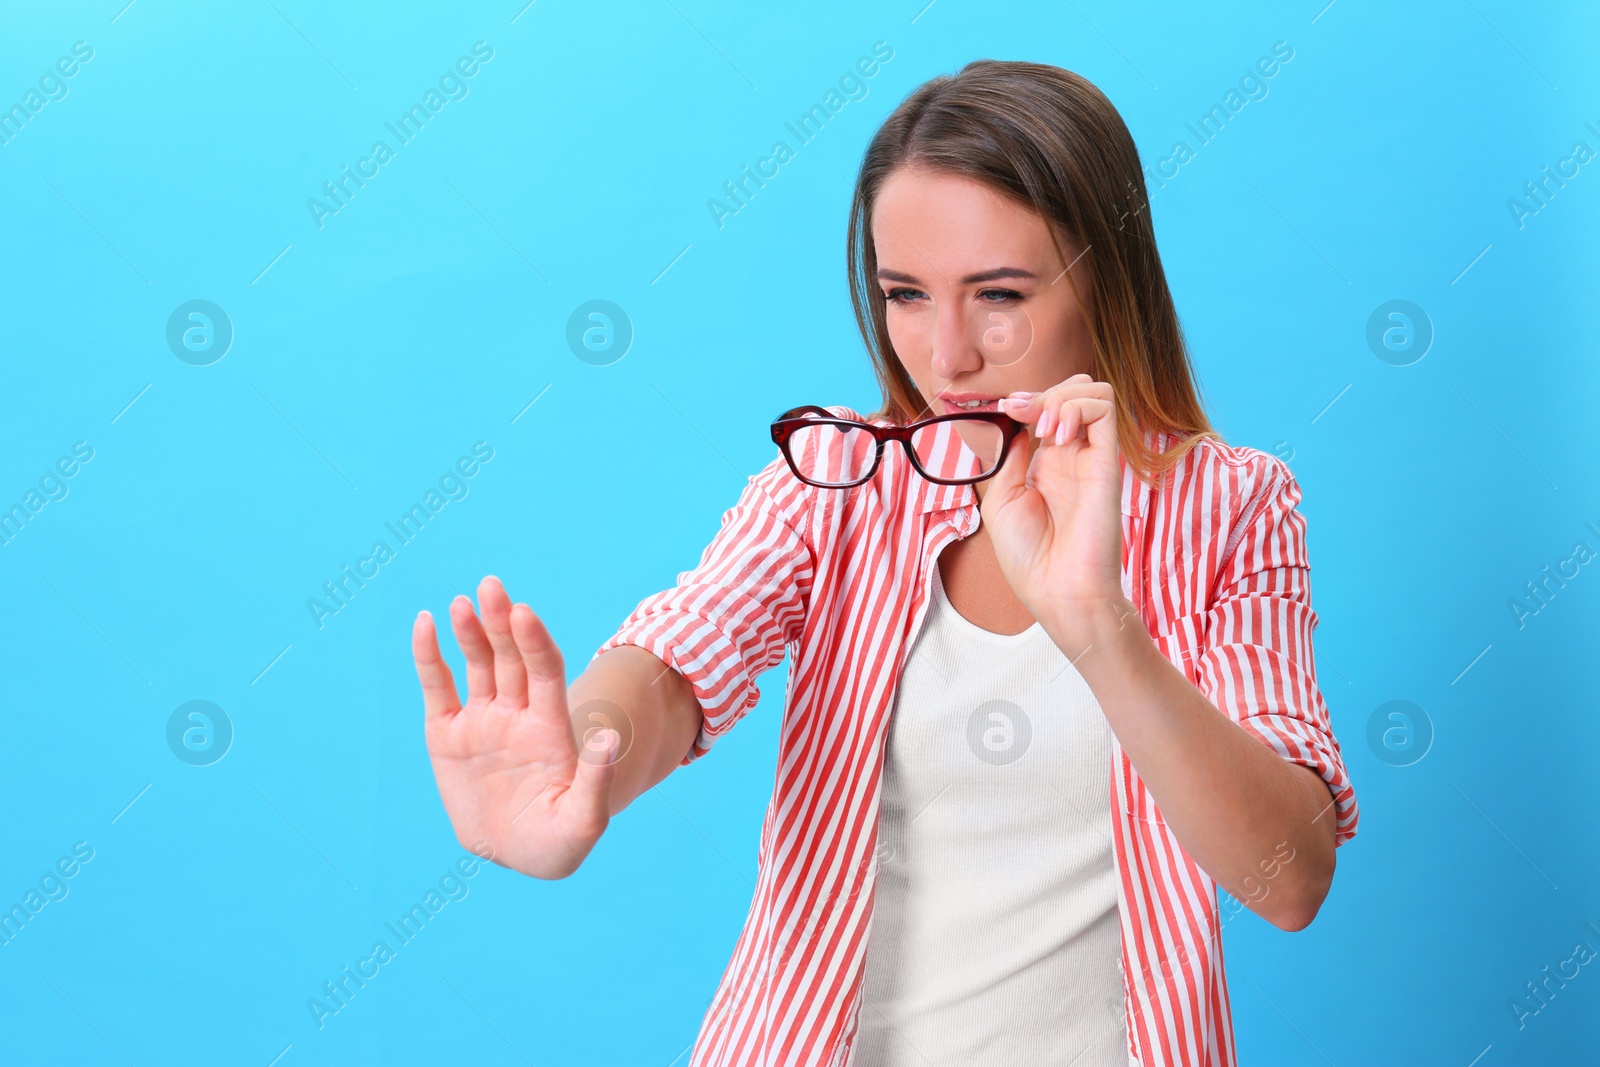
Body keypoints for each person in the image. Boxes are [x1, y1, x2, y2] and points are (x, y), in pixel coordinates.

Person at [412, 59, 1359, 1067]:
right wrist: (582, 757)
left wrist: (1096, 621)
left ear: (1106, 277)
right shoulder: (837, 478)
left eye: (998, 293)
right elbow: (685, 652)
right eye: (904, 293)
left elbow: (1288, 878)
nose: (944, 354)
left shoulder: (1235, 503)